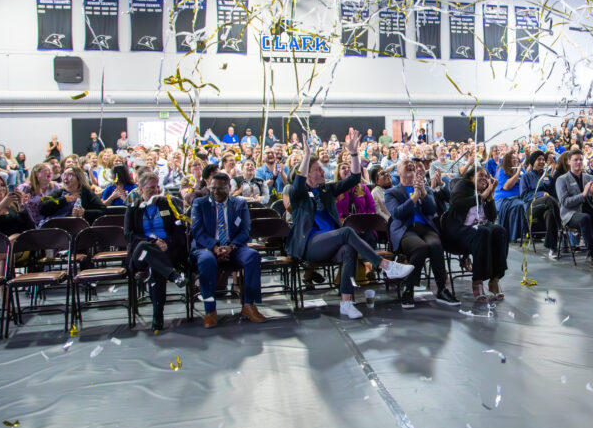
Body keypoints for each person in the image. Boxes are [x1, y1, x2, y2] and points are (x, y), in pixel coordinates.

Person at [284, 129, 414, 319]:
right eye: (317, 170)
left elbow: (354, 178)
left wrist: (354, 153)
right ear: (308, 175)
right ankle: (385, 266)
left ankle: (346, 302)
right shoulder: (298, 195)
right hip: (309, 244)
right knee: (346, 232)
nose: (323, 171)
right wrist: (307, 156)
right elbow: (299, 181)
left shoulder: (326, 190)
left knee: (349, 249)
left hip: (330, 242)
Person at [190, 172, 266, 328]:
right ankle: (210, 310)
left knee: (252, 256)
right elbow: (197, 231)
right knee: (206, 261)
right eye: (213, 188)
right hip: (207, 248)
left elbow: (245, 231)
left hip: (234, 247)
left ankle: (248, 305)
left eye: (220, 188)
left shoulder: (239, 204)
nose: (216, 192)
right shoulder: (200, 204)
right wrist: (215, 247)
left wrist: (231, 247)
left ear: (229, 187)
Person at [385, 159, 460, 309]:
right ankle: (409, 289)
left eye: (412, 165)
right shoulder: (391, 192)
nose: (410, 165)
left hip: (425, 227)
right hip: (405, 229)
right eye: (405, 164)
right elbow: (397, 214)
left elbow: (432, 210)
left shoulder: (424, 188)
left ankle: (442, 290)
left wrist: (424, 194)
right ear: (398, 171)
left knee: (436, 245)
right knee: (420, 248)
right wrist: (413, 198)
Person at [124, 172, 187, 332]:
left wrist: (166, 243)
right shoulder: (133, 208)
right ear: (140, 188)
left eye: (157, 186)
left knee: (156, 268)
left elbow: (178, 229)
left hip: (166, 253)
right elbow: (129, 234)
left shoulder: (168, 204)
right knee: (146, 248)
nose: (155, 190)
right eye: (151, 188)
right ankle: (173, 275)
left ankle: (157, 314)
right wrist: (153, 242)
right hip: (141, 255)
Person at [442, 167, 508, 302]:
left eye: (486, 176)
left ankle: (495, 279)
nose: (484, 178)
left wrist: (490, 196)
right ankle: (477, 281)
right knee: (483, 232)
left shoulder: (485, 190)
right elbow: (456, 204)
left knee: (500, 231)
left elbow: (492, 216)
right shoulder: (462, 185)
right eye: (481, 175)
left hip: (480, 227)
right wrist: (481, 196)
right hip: (459, 231)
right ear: (471, 177)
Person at [556, 149, 593, 262]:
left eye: (581, 159)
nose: (578, 162)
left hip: (590, 210)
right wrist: (583, 194)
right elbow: (565, 202)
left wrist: (592, 193)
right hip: (571, 214)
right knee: (585, 218)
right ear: (568, 162)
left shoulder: (589, 177)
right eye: (575, 160)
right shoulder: (562, 179)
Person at [520, 150, 560, 258]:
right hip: (531, 208)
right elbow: (524, 196)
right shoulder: (526, 177)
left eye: (543, 159)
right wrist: (541, 194)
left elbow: (554, 194)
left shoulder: (547, 177)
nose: (542, 161)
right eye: (539, 159)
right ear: (533, 162)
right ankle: (562, 224)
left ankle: (551, 247)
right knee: (548, 199)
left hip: (547, 206)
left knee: (550, 214)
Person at [40, 166, 106, 224]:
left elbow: (103, 211)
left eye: (69, 175)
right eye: (64, 175)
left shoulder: (87, 193)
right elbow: (42, 208)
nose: (65, 178)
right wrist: (64, 200)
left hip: (76, 228)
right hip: (54, 226)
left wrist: (85, 213)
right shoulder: (59, 193)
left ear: (79, 178)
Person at [493, 151, 527, 241]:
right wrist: (517, 172)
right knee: (519, 205)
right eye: (513, 158)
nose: (516, 159)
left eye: (516, 158)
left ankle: (531, 233)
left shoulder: (522, 171)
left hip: (519, 197)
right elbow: (507, 186)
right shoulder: (502, 170)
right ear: (508, 160)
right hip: (504, 198)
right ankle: (514, 235)